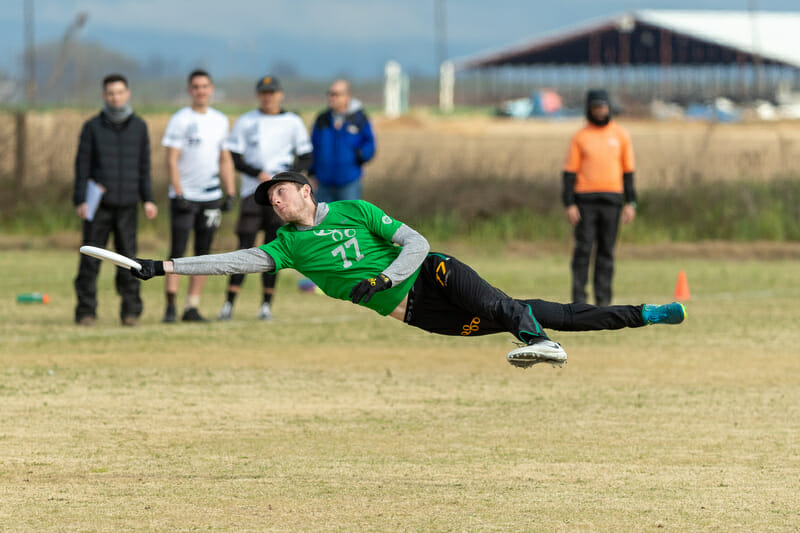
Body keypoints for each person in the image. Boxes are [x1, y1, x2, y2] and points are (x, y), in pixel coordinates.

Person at [131, 171, 686, 369]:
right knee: (537, 310)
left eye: (278, 192)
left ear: (304, 189)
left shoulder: (352, 209)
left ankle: (547, 343)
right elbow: (234, 261)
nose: (273, 202)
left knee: (508, 309)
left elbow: (415, 241)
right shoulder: (285, 247)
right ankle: (644, 314)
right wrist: (166, 266)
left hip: (428, 273)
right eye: (267, 200)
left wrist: (388, 276)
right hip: (421, 315)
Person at [217, 75, 313, 321]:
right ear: (258, 95)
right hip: (253, 192)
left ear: (280, 94)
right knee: (244, 247)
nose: (268, 97)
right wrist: (257, 173)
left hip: (282, 196)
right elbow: (235, 157)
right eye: (264, 93)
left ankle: (266, 305)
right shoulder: (247, 120)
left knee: (274, 248)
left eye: (272, 92)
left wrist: (286, 176)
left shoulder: (292, 121)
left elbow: (306, 156)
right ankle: (229, 303)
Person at [73, 73, 158, 327]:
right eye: (110, 93)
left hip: (128, 205)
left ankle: (130, 311)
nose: (115, 97)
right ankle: (85, 311)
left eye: (119, 92)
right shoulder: (92, 127)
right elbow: (82, 166)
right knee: (90, 259)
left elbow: (144, 167)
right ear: (104, 96)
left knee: (129, 260)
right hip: (98, 206)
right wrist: (81, 199)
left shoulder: (139, 127)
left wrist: (148, 199)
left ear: (127, 94)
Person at [161, 69, 236, 323]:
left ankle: (191, 306)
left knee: (203, 253)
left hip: (210, 196)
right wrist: (179, 191)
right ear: (189, 90)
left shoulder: (220, 120)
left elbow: (225, 158)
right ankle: (170, 305)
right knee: (178, 251)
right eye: (196, 87)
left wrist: (231, 191)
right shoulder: (180, 119)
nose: (200, 91)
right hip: (185, 196)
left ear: (211, 89)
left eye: (205, 86)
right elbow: (171, 160)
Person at [562, 88, 637, 307]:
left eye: (603, 107)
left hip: (612, 201)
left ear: (609, 108)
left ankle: (603, 301)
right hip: (585, 201)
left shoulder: (621, 135)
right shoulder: (581, 137)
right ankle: (579, 300)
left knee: (606, 251)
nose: (600, 111)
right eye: (596, 107)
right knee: (583, 250)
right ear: (589, 109)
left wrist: (631, 202)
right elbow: (569, 173)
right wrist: (569, 203)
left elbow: (628, 172)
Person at [309, 79, 376, 202]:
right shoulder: (322, 119)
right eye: (330, 94)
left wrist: (358, 155)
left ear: (347, 96)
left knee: (349, 219)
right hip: (323, 183)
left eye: (336, 94)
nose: (331, 97)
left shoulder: (359, 119)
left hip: (349, 182)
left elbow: (370, 145)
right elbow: (313, 146)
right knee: (323, 220)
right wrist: (312, 172)